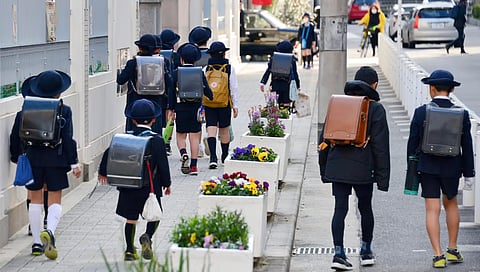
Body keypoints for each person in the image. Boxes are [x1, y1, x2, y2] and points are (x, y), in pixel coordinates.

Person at [318, 66, 390, 270]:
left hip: (337, 165)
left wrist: (324, 170)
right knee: (365, 207)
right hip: (363, 168)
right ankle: (366, 251)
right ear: (374, 85)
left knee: (340, 209)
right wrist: (383, 179)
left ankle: (338, 253)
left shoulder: (338, 103)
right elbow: (380, 147)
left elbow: (324, 138)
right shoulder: (375, 108)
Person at [10, 70, 82, 260]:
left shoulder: (25, 109)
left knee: (35, 200)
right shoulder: (63, 110)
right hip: (56, 160)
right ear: (59, 92)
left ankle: (35, 243)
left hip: (33, 158)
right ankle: (49, 231)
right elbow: (67, 138)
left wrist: (16, 156)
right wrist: (74, 162)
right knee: (54, 200)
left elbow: (16, 136)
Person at [407, 69, 474, 268]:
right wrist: (469, 173)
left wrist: (412, 169)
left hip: (427, 167)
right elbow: (467, 146)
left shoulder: (421, 112)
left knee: (432, 209)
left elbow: (413, 144)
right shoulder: (462, 114)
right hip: (452, 166)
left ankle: (437, 255)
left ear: (432, 89)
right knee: (451, 204)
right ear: (452, 89)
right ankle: (452, 249)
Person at [98, 99, 172, 261]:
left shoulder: (125, 137)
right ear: (153, 120)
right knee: (154, 215)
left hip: (128, 186)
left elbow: (109, 153)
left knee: (130, 218)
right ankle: (147, 236)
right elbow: (162, 163)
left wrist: (103, 172)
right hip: (151, 187)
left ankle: (130, 250)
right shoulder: (157, 140)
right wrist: (167, 183)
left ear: (132, 120)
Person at [166, 43, 213, 175]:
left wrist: (171, 109)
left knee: (181, 135)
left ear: (181, 59)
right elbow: (208, 92)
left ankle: (183, 153)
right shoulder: (199, 72)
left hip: (180, 107)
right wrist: (208, 95)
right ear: (196, 59)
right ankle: (193, 166)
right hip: (196, 108)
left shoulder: (176, 73)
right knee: (194, 137)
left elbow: (170, 92)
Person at [117, 33, 173, 135]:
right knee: (154, 137)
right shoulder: (162, 62)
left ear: (139, 47)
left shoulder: (132, 63)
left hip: (135, 105)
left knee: (133, 137)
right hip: (155, 107)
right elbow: (169, 84)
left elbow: (121, 80)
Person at [204, 41, 239, 168]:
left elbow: (203, 87)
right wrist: (235, 106)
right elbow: (234, 88)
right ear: (224, 54)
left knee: (211, 129)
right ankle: (224, 156)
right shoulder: (229, 69)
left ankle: (213, 157)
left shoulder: (206, 69)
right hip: (224, 104)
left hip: (209, 104)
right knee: (224, 129)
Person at [189, 26, 212, 158]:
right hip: (212, 92)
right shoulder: (212, 53)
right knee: (211, 120)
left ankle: (199, 148)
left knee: (197, 122)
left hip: (195, 93)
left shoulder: (192, 54)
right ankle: (210, 137)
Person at [260, 40, 300, 110]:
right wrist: (298, 86)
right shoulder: (291, 59)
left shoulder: (274, 58)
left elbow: (268, 71)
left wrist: (263, 82)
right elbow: (295, 74)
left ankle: (278, 119)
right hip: (287, 85)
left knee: (277, 105)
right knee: (286, 105)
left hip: (275, 85)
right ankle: (286, 115)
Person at [159, 29, 182, 155]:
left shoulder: (157, 55)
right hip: (170, 88)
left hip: (157, 88)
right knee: (170, 114)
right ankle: (167, 142)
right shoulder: (175, 56)